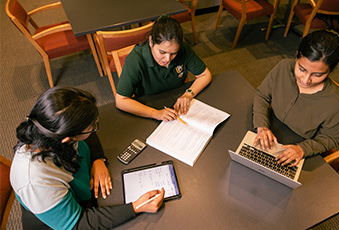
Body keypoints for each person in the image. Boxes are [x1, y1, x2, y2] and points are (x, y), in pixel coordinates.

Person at [10, 87, 165, 229]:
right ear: (67, 138)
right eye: (92, 127)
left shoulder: (51, 126)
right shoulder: (36, 181)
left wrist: (98, 160)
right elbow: (79, 224)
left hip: (82, 194)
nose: (94, 129)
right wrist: (136, 207)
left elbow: (86, 132)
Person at [252, 30, 339, 167]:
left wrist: (303, 149)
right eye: (302, 69)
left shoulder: (336, 105)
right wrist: (261, 125)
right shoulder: (283, 67)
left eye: (317, 75)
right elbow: (262, 95)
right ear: (297, 56)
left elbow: (332, 138)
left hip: (298, 145)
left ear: (330, 71)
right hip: (266, 125)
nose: (306, 80)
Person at [115, 15, 212, 121]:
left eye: (174, 53)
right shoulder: (136, 60)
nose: (168, 59)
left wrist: (188, 94)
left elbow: (205, 75)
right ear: (151, 42)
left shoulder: (183, 49)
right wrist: (155, 113)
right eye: (162, 52)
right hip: (148, 107)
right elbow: (121, 100)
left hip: (177, 102)